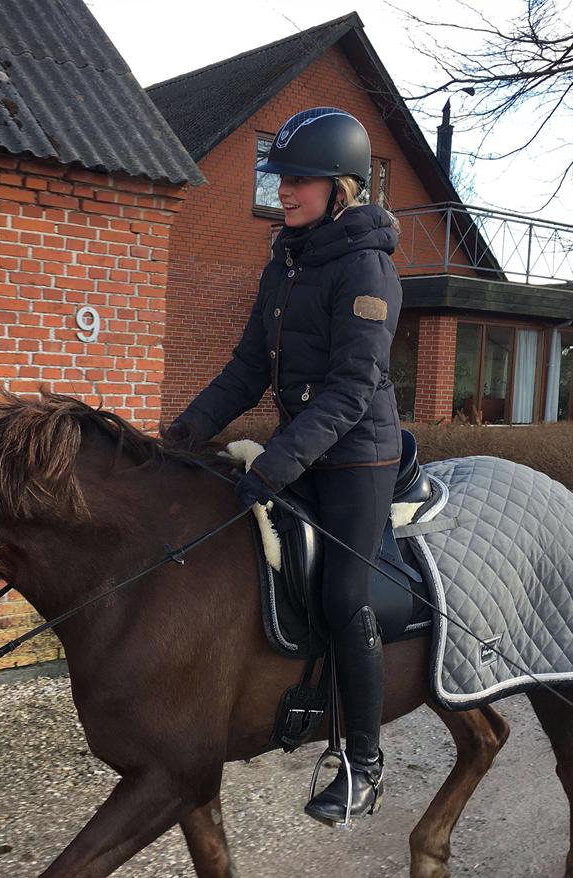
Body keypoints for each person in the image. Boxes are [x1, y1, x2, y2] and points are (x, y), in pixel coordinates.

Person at [166, 107, 404, 825]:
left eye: (300, 180)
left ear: (342, 187)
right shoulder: (286, 259)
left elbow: (351, 388)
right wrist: (184, 432)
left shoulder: (369, 268)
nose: (285, 192)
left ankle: (363, 765)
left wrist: (276, 461)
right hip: (304, 442)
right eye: (280, 179)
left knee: (342, 597)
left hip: (358, 456)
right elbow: (246, 368)